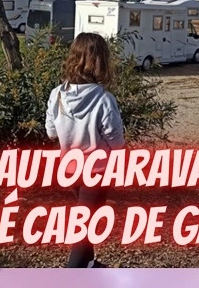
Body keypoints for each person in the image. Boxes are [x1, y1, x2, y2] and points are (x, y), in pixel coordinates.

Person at [45, 32, 125, 268]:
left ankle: (90, 264)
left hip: (69, 171)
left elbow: (51, 132)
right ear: (101, 61)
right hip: (96, 174)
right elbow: (117, 143)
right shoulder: (104, 99)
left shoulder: (57, 94)